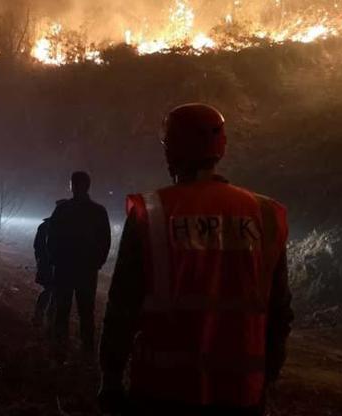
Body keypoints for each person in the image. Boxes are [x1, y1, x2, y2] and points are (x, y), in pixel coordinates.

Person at [98, 103, 293, 416]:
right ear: (221, 148)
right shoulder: (265, 214)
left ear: (170, 151)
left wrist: (110, 376)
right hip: (240, 393)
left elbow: (123, 304)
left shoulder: (153, 212)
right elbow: (279, 309)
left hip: (161, 390)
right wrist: (266, 377)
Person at [48, 171, 111, 354]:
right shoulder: (98, 211)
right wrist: (97, 263)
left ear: (72, 186)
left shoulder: (62, 210)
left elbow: (51, 238)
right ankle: (87, 351)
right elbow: (105, 241)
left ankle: (59, 351)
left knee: (62, 311)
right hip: (87, 270)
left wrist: (54, 260)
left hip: (64, 269)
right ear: (88, 186)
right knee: (86, 313)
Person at [32, 199, 66, 327]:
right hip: (51, 265)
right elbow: (38, 247)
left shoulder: (46, 226)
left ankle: (41, 317)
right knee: (53, 292)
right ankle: (45, 319)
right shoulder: (54, 227)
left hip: (50, 265)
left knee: (51, 292)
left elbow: (37, 247)